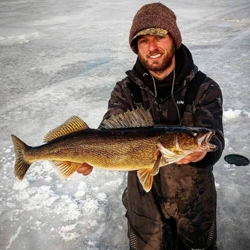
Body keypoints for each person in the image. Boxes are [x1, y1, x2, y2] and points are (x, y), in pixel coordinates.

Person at [77, 3, 224, 250]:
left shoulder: (204, 88)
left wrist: (201, 153)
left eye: (159, 37)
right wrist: (85, 155)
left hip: (195, 198)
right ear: (136, 47)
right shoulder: (125, 90)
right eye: (143, 41)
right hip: (142, 199)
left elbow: (214, 137)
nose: (152, 47)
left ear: (173, 39)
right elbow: (107, 131)